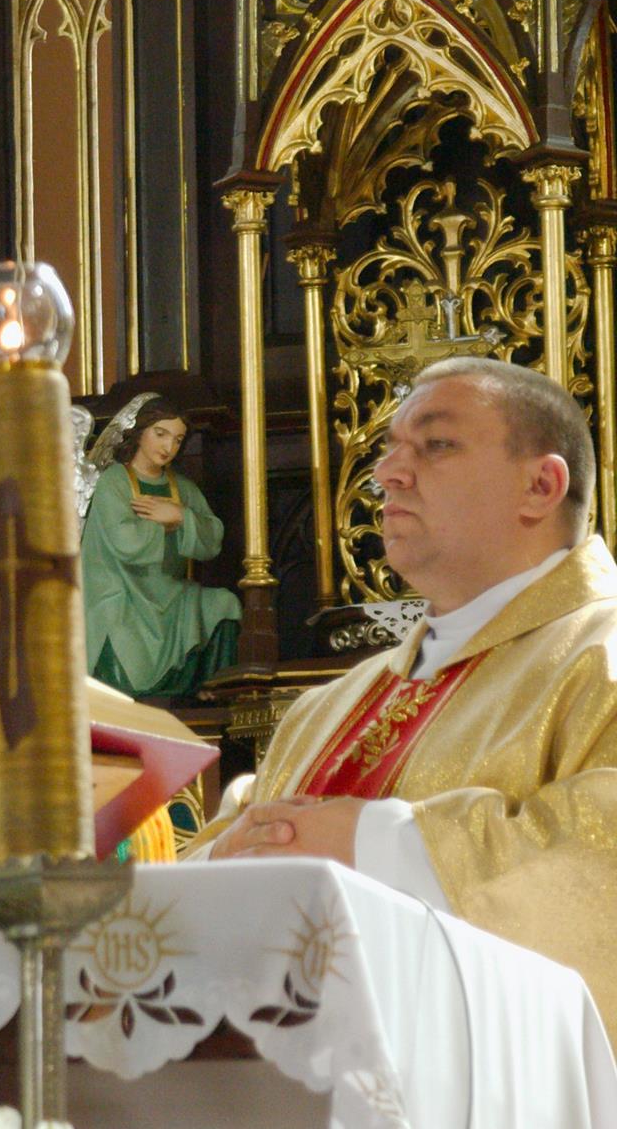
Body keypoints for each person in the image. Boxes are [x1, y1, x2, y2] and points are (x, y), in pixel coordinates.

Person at [195, 356, 617, 1023]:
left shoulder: (602, 655)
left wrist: (368, 842)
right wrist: (227, 852)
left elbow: (600, 866)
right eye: (390, 448)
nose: (387, 472)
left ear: (540, 486)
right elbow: (214, 859)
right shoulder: (325, 709)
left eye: (436, 444)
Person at [82, 396, 240, 698]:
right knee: (120, 630)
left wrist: (181, 517)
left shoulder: (182, 488)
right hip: (122, 593)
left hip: (171, 593)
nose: (169, 446)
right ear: (140, 432)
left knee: (225, 604)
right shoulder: (114, 482)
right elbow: (124, 542)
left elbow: (212, 540)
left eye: (178, 439)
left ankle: (213, 689)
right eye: (160, 433)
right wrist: (166, 525)